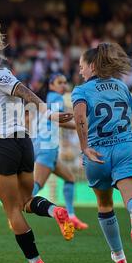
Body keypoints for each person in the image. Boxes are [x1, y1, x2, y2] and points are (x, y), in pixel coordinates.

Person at [0, 16, 74, 263]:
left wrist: (48, 113)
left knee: (11, 210)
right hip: (23, 144)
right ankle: (55, 210)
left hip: (4, 146)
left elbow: (25, 93)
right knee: (26, 201)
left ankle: (35, 262)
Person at [72, 42, 132, 263]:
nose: (80, 70)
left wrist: (84, 146)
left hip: (97, 152)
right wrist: (119, 125)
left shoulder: (81, 90)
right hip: (125, 147)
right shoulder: (120, 86)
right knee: (131, 195)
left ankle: (118, 254)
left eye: (82, 66)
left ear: (92, 66)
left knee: (104, 204)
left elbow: (80, 118)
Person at [32, 73, 88, 230]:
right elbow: (59, 121)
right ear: (51, 84)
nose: (64, 85)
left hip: (39, 144)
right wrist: (82, 127)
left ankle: (71, 216)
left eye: (65, 82)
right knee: (38, 184)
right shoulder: (56, 98)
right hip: (48, 145)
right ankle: (17, 210)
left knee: (69, 178)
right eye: (60, 82)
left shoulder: (44, 98)